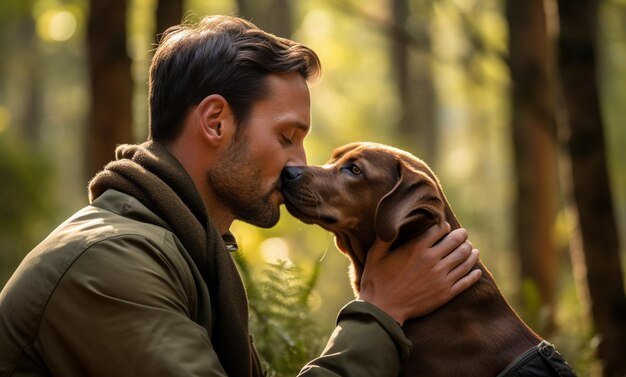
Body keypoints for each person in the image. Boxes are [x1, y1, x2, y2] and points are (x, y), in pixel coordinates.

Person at [0, 15, 481, 376]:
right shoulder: (111, 263)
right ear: (215, 122)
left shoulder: (186, 253)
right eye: (287, 137)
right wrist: (380, 313)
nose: (300, 163)